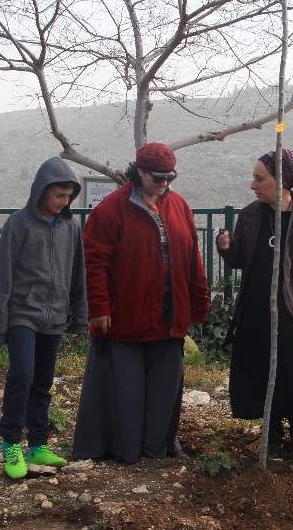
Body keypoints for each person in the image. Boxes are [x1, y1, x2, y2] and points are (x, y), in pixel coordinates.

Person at [73, 142, 211, 463]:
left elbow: (193, 260)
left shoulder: (180, 206)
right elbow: (93, 263)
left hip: (169, 315)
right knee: (127, 390)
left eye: (170, 178)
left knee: (165, 388)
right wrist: (99, 307)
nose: (165, 185)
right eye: (158, 178)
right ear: (140, 172)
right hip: (126, 318)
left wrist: (199, 303)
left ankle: (158, 447)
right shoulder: (110, 209)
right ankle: (122, 450)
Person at [215, 149, 293, 459]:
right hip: (256, 311)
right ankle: (273, 438)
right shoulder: (250, 215)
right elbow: (241, 259)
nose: (253, 185)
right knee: (261, 372)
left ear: (281, 181)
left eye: (259, 178)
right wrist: (226, 249)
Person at [0, 156, 88, 479]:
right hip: (22, 314)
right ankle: (11, 442)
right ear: (41, 191)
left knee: (43, 382)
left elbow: (78, 274)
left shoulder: (71, 226)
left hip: (55, 315)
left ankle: (39, 444)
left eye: (68, 196)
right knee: (22, 375)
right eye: (58, 195)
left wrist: (80, 318)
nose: (64, 201)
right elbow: (2, 277)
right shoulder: (18, 224)